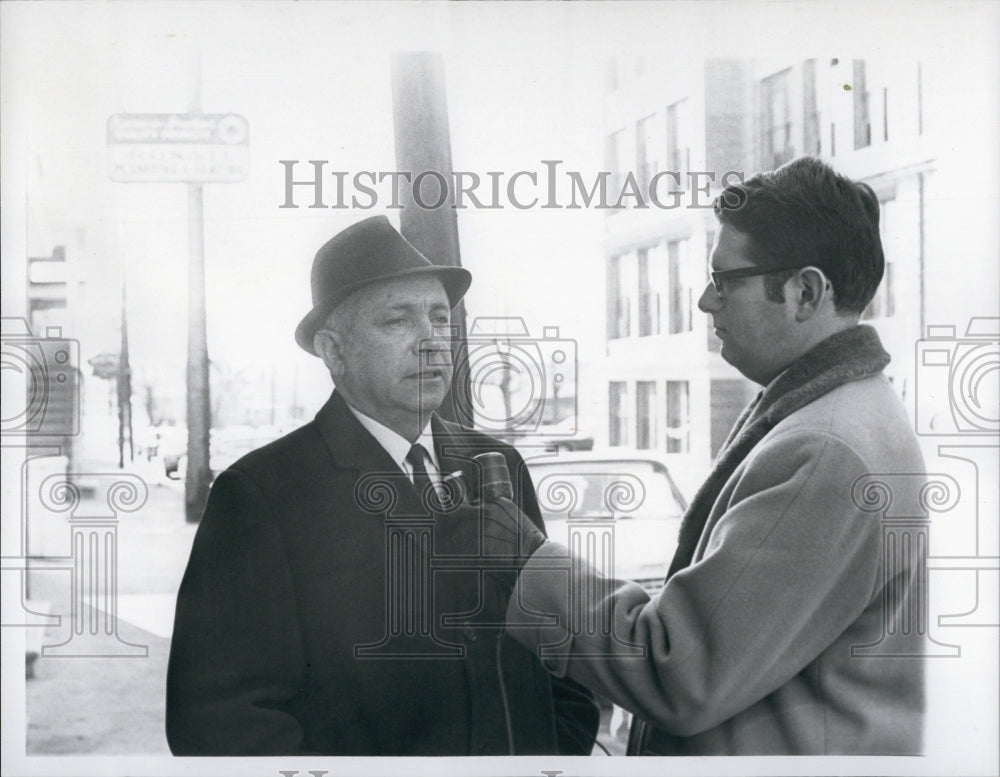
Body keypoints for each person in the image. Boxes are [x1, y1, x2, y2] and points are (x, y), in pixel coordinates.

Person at [482, 157, 927, 755]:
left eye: (725, 280)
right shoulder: (842, 415)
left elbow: (683, 671)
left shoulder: (823, 451)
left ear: (805, 292)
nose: (704, 302)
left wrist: (527, 561)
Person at [166, 215, 598, 755]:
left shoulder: (498, 464)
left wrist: (556, 750)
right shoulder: (262, 495)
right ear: (333, 351)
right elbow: (219, 720)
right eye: (397, 321)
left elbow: (560, 654)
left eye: (440, 318)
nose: (431, 342)